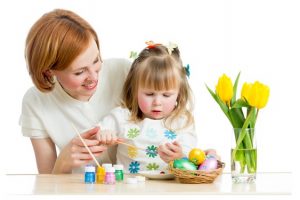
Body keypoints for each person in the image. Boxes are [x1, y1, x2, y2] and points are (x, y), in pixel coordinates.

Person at [19, 9, 130, 174]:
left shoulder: (124, 73)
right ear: (49, 71)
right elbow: (47, 185)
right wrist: (63, 161)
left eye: (96, 60)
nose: (93, 77)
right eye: (79, 72)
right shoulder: (36, 101)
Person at [96, 42, 197, 173]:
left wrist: (180, 157)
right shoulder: (122, 117)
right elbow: (96, 132)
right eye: (149, 94)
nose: (157, 102)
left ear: (179, 94)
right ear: (134, 90)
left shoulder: (182, 121)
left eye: (166, 95)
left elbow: (193, 161)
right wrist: (103, 134)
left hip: (169, 189)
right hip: (129, 188)